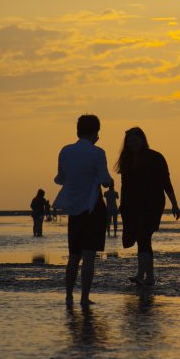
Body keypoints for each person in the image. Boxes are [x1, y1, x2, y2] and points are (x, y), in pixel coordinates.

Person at [54, 114, 113, 306]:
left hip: (75, 209)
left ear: (78, 130)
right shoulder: (97, 152)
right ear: (96, 132)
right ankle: (84, 298)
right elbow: (105, 180)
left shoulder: (65, 151)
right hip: (93, 208)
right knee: (89, 257)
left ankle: (69, 295)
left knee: (73, 256)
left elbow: (61, 178)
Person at [116, 126, 180, 286]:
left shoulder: (156, 157)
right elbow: (124, 186)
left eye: (135, 140)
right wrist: (122, 206)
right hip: (132, 206)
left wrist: (174, 203)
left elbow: (166, 182)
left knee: (144, 237)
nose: (132, 144)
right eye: (129, 141)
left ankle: (147, 277)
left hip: (152, 204)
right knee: (141, 240)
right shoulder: (127, 159)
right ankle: (145, 276)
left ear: (143, 140)